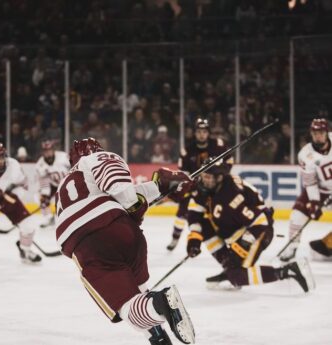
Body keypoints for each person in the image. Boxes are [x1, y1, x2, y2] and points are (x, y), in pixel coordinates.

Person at [54, 137, 195, 345]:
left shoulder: (69, 180)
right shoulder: (95, 164)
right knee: (138, 296)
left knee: (126, 308)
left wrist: (134, 202)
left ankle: (162, 303)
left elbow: (124, 195)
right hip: (127, 235)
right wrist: (160, 186)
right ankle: (158, 337)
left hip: (90, 245)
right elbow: (124, 192)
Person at [164, 159, 312, 292]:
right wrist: (194, 238)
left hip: (259, 231)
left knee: (237, 276)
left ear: (219, 177)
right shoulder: (206, 187)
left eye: (208, 177)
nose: (203, 180)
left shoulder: (232, 196)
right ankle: (230, 269)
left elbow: (260, 222)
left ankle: (287, 271)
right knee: (204, 225)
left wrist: (243, 244)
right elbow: (194, 213)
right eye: (203, 176)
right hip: (237, 229)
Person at [166, 117, 233, 251]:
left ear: (208, 133)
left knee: (223, 210)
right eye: (199, 131)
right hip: (194, 187)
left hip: (214, 186)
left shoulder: (218, 145)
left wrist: (220, 176)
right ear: (195, 133)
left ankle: (229, 238)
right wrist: (187, 182)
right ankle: (175, 238)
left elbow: (229, 161)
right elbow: (182, 172)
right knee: (182, 212)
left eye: (204, 131)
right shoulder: (187, 150)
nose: (201, 134)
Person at [280, 118, 332, 262]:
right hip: (321, 191)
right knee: (297, 214)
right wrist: (315, 202)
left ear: (327, 132)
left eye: (321, 132)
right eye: (314, 133)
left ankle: (328, 245)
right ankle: (291, 247)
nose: (318, 136)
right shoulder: (305, 154)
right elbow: (310, 182)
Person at [35, 139, 70, 228]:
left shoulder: (63, 157)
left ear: (53, 150)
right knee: (40, 197)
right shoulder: (40, 164)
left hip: (68, 183)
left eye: (49, 150)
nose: (47, 153)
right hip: (54, 186)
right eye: (45, 151)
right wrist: (45, 196)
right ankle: (49, 218)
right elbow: (44, 182)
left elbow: (75, 165)